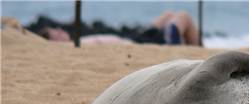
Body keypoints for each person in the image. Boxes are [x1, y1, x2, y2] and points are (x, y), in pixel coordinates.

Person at [28, 11, 199, 45]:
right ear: (53, 42)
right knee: (184, 17)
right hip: (136, 42)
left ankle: (172, 30)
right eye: (55, 33)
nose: (60, 30)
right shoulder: (71, 46)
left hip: (134, 36)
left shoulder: (79, 41)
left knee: (168, 14)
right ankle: (197, 48)